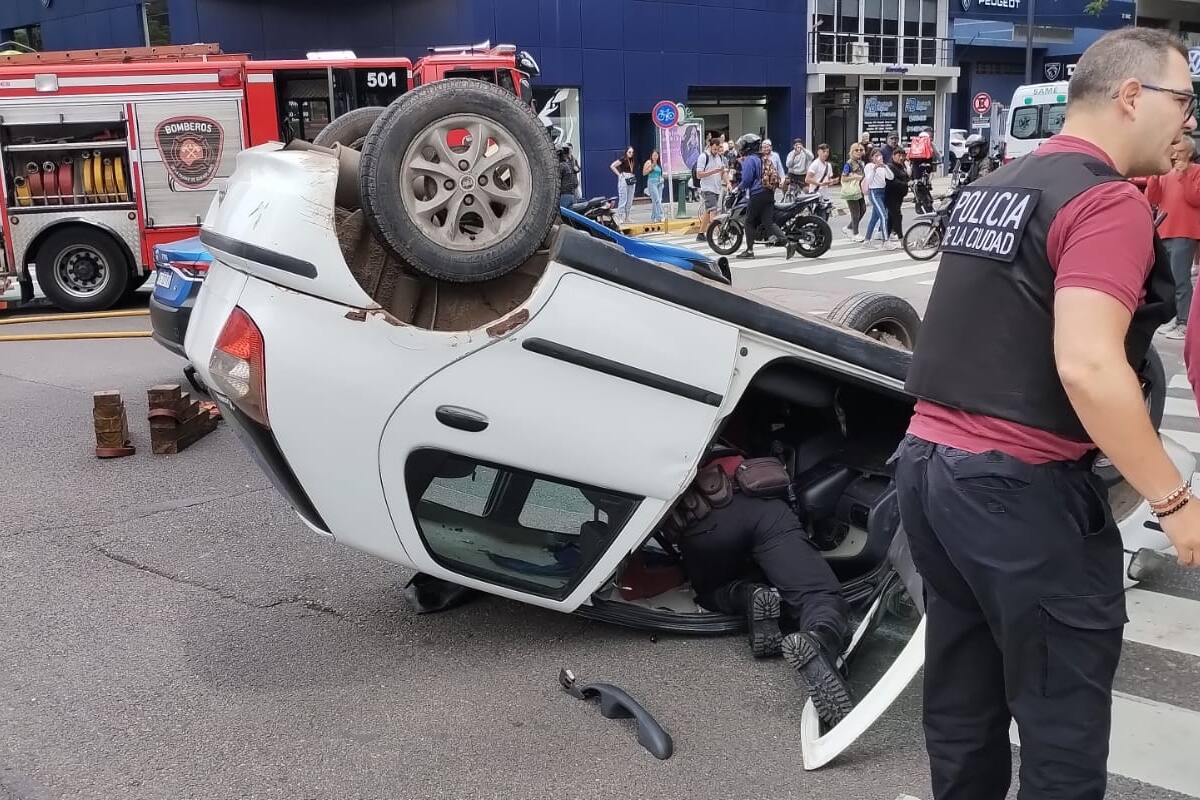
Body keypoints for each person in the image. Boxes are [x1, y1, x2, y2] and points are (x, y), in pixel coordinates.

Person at [893, 27, 1200, 800]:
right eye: (1184, 102)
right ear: (1133, 97)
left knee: (963, 697)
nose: (1188, 124)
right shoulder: (1106, 203)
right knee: (1061, 722)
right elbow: (1091, 365)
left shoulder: (998, 182)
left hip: (929, 472)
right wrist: (1175, 500)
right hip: (1016, 491)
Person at [664, 449, 853, 725]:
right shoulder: (732, 422)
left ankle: (748, 596)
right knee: (817, 594)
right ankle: (820, 639)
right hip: (761, 506)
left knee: (712, 590)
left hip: (704, 525)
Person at [1146, 137, 1200, 339]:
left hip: (1184, 232)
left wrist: (1185, 173)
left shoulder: (1195, 171)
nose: (1174, 153)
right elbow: (1153, 199)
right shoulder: (1166, 172)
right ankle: (1175, 318)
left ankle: (1184, 322)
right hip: (1165, 230)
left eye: (1178, 149)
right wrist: (1154, 177)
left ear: (1188, 152)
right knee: (1168, 279)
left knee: (1180, 279)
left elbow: (1195, 199)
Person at [735, 133, 794, 260]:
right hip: (769, 193)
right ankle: (788, 243)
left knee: (749, 221)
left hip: (757, 194)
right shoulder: (764, 158)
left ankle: (749, 251)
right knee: (768, 222)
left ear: (748, 146)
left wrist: (738, 188)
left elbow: (746, 180)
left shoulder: (750, 160)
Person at [696, 138, 726, 242]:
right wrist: (713, 171)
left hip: (717, 187)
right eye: (714, 149)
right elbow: (698, 174)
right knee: (714, 211)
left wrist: (728, 182)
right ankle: (719, 234)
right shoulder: (703, 157)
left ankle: (700, 234)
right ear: (710, 146)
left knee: (708, 212)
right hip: (707, 188)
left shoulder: (719, 157)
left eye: (718, 149)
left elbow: (722, 171)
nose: (716, 152)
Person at [862, 149, 894, 247]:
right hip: (874, 192)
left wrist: (885, 167)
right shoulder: (869, 166)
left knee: (875, 217)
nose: (878, 158)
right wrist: (875, 168)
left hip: (883, 191)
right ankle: (885, 240)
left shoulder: (883, 167)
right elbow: (869, 180)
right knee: (884, 216)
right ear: (872, 157)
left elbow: (891, 177)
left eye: (880, 156)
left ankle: (867, 240)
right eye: (876, 156)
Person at [840, 143, 868, 241]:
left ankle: (849, 228)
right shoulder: (849, 163)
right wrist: (855, 176)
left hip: (859, 190)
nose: (859, 152)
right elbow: (843, 178)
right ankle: (855, 233)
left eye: (860, 150)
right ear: (852, 151)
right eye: (856, 150)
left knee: (863, 209)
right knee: (855, 212)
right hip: (851, 190)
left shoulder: (860, 162)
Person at [883, 148, 910, 241]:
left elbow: (907, 176)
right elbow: (891, 181)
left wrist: (908, 166)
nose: (901, 158)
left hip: (899, 196)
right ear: (893, 156)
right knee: (897, 216)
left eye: (903, 156)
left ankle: (887, 236)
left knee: (891, 217)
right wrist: (905, 184)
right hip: (891, 196)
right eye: (899, 156)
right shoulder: (890, 166)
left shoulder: (902, 166)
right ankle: (901, 239)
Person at [610, 146, 636, 224]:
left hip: (631, 178)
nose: (631, 154)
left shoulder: (632, 160)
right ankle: (620, 216)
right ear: (626, 152)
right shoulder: (623, 159)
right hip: (624, 178)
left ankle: (627, 217)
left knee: (630, 199)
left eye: (632, 152)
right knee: (623, 198)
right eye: (629, 152)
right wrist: (619, 175)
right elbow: (612, 166)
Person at [642, 149, 665, 222]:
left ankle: (653, 217)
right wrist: (652, 167)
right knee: (657, 199)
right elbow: (644, 173)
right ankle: (660, 216)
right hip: (652, 182)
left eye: (656, 155)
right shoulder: (649, 162)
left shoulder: (659, 164)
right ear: (651, 155)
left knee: (658, 200)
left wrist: (662, 179)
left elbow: (660, 173)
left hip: (659, 182)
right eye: (654, 155)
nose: (655, 157)